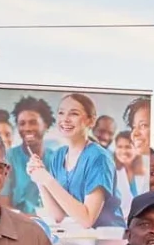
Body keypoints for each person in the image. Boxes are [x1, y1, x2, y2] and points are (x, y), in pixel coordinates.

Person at [33, 92, 121, 229]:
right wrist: (40, 179)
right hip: (79, 237)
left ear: (91, 121)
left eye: (74, 114)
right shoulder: (58, 156)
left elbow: (87, 219)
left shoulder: (99, 158)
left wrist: (48, 180)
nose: (65, 119)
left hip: (107, 237)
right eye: (61, 113)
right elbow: (58, 216)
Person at [2, 96, 49, 216]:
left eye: (33, 122)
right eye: (22, 123)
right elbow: (3, 206)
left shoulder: (58, 159)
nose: (27, 128)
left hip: (54, 224)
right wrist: (32, 220)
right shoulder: (8, 158)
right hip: (17, 223)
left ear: (46, 125)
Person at [112, 129, 149, 204]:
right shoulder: (110, 173)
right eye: (119, 147)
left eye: (128, 147)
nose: (123, 151)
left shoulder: (146, 174)